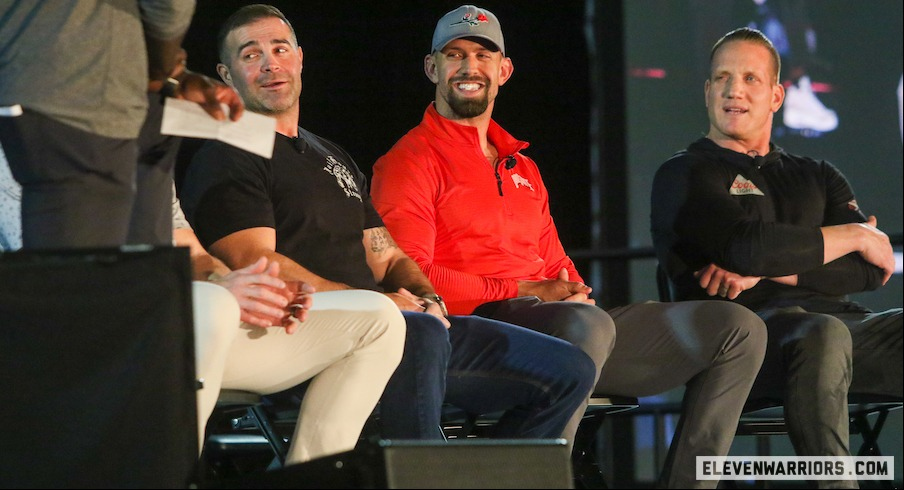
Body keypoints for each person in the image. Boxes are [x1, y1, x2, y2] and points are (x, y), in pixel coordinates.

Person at [370, 6, 768, 488]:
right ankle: (538, 480)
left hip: (568, 328)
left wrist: (570, 288)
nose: (469, 67)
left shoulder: (522, 167)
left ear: (504, 70)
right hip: (482, 336)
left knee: (738, 329)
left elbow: (558, 263)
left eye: (481, 54)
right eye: (454, 55)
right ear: (433, 68)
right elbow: (413, 283)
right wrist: (529, 289)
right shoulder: (408, 161)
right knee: (585, 324)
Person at [179, 3, 597, 447]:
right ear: (226, 74)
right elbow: (256, 262)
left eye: (279, 48)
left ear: (300, 58)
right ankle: (421, 476)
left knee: (570, 371)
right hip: (310, 334)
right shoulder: (226, 153)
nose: (270, 64)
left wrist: (426, 298)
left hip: (401, 324)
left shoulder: (330, 155)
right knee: (416, 331)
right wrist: (381, 306)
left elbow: (388, 254)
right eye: (250, 54)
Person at [1, 116, 408, 469]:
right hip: (84, 342)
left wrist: (250, 289)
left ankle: (311, 477)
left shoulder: (139, 150)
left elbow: (194, 255)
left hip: (181, 329)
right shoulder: (17, 149)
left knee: (379, 318)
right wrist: (214, 292)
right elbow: (57, 277)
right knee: (210, 304)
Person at [650, 26, 902, 488]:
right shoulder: (684, 174)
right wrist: (851, 233)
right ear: (707, 92)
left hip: (848, 330)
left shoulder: (818, 175)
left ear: (776, 96)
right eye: (722, 78)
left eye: (750, 79)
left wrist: (767, 269)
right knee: (820, 333)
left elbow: (866, 271)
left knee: (837, 329)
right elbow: (747, 246)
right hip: (747, 344)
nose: (734, 90)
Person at [0, 1, 243, 250]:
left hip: (43, 90)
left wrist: (173, 75)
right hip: (87, 99)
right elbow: (168, 6)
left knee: (124, 268)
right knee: (86, 276)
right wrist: (161, 71)